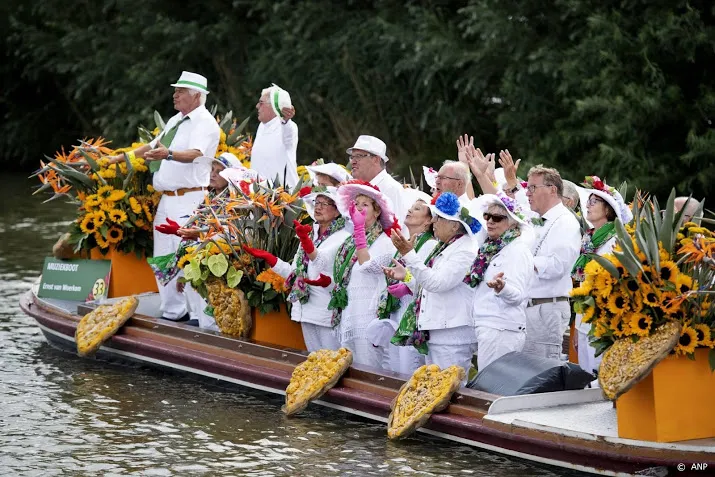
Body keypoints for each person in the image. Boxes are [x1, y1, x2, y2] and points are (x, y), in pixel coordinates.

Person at [110, 71, 221, 322]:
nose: (175, 94)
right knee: (163, 256)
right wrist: (120, 158)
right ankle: (174, 311)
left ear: (195, 95)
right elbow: (152, 146)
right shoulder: (175, 120)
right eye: (176, 90)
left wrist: (167, 154)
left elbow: (196, 153)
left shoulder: (205, 122)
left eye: (180, 91)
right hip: (168, 199)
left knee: (189, 256)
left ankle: (199, 317)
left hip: (190, 199)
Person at [385, 192, 481, 382]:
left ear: (454, 225)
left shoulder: (465, 251)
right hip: (439, 330)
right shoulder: (447, 246)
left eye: (439, 218)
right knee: (436, 389)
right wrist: (407, 276)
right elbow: (429, 284)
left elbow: (437, 284)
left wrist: (409, 254)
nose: (434, 222)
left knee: (448, 389)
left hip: (452, 334)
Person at [243, 187, 351, 351]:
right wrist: (270, 259)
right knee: (313, 363)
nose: (319, 207)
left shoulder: (343, 238)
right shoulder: (310, 234)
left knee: (332, 362)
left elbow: (320, 262)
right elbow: (294, 273)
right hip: (305, 310)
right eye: (317, 202)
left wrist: (305, 241)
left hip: (325, 313)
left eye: (325, 203)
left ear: (337, 211)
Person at [328, 180, 400, 368]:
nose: (359, 208)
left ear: (377, 212)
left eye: (365, 205)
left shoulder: (385, 241)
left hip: (368, 313)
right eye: (356, 204)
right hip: (350, 310)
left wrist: (359, 231)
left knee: (369, 365)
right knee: (348, 365)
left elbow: (367, 266)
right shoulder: (349, 241)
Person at [367, 188, 438, 375]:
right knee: (393, 366)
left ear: (429, 220)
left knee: (409, 367)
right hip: (398, 311)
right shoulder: (404, 242)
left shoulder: (430, 244)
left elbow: (425, 280)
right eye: (411, 207)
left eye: (417, 209)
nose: (410, 210)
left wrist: (406, 284)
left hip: (412, 313)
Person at [572, 176, 632, 379]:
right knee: (586, 378)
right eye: (588, 201)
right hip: (584, 318)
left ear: (608, 210)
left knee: (601, 378)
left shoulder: (616, 240)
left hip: (604, 320)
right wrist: (578, 326)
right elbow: (581, 285)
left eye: (593, 201)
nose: (587, 205)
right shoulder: (588, 239)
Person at [466, 194, 534, 371]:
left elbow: (518, 295)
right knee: (488, 388)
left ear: (512, 222)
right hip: (491, 327)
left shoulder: (517, 250)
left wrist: (502, 288)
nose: (490, 221)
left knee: (491, 390)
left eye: (497, 218)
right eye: (487, 216)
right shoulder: (490, 247)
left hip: (502, 330)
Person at [523, 165, 581, 360]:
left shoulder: (565, 221)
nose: (528, 193)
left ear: (552, 189)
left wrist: (522, 261)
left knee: (540, 374)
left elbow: (558, 266)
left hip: (546, 308)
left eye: (533, 188)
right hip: (532, 307)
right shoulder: (540, 220)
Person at [346, 135, 408, 224]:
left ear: (376, 159)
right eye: (352, 157)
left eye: (358, 156)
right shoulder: (356, 187)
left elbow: (397, 229)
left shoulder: (391, 189)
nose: (353, 161)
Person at [250, 84, 299, 188]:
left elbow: (288, 137)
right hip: (260, 194)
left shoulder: (289, 126)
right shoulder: (262, 126)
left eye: (261, 103)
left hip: (284, 195)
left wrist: (286, 121)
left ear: (273, 106)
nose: (257, 106)